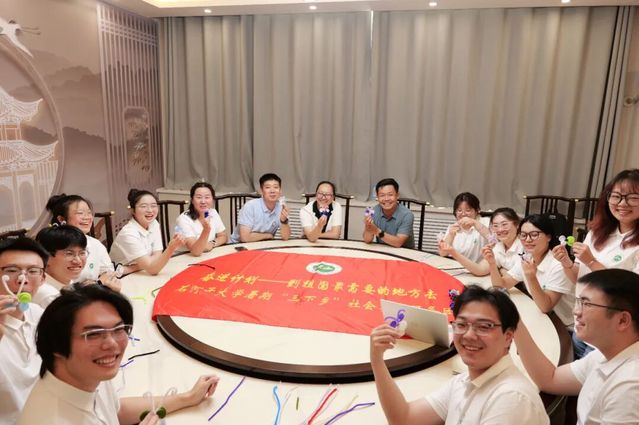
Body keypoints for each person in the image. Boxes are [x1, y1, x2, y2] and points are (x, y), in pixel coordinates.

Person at [18, 284, 219, 425]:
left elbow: (116, 410)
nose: (112, 344)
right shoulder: (49, 418)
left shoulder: (87, 373)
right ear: (56, 344)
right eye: (93, 334)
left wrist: (187, 398)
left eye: (118, 329)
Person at [370, 285, 548, 425]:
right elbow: (404, 419)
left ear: (508, 337)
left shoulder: (511, 399)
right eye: (461, 324)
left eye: (484, 326)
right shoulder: (463, 382)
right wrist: (377, 360)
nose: (469, 335)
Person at [514, 269, 639, 424]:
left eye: (586, 304)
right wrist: (514, 322)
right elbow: (549, 379)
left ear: (622, 320)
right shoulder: (606, 353)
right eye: (578, 302)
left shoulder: (629, 386)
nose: (576, 311)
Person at [489, 214, 575, 327]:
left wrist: (531, 276)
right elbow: (501, 285)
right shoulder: (527, 258)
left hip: (567, 325)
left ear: (548, 237)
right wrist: (492, 263)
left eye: (534, 235)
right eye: (523, 235)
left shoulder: (558, 265)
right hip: (544, 319)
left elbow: (546, 307)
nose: (528, 240)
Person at [553, 169, 639, 280]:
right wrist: (567, 263)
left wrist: (591, 262)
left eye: (633, 198)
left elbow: (630, 289)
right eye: (616, 196)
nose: (622, 204)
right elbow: (578, 279)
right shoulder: (597, 232)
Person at [0, 237, 49, 425]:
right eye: (11, 270)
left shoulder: (39, 315)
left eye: (33, 271)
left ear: (43, 278)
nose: (22, 279)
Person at [34, 225, 120, 309]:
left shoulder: (66, 282)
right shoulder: (50, 296)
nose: (78, 261)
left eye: (82, 253)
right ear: (46, 257)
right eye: (69, 254)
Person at [110, 189, 186, 275]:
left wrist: (132, 268)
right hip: (120, 277)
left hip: (137, 272)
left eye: (153, 206)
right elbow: (152, 270)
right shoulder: (128, 233)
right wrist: (171, 248)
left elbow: (158, 256)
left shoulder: (154, 223)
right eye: (143, 206)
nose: (150, 210)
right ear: (132, 210)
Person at [46, 194, 117, 284]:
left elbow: (109, 272)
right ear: (61, 219)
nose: (87, 217)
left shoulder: (95, 244)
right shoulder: (52, 245)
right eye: (80, 213)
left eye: (89, 213)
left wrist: (98, 283)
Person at [439, 207, 522, 276]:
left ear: (517, 225)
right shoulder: (499, 247)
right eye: (496, 226)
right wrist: (453, 252)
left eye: (504, 224)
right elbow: (480, 270)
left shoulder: (524, 245)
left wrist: (502, 271)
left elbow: (515, 278)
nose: (500, 229)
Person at [229, 173, 291, 243]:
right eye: (268, 187)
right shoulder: (250, 206)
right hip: (237, 245)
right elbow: (245, 238)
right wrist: (267, 236)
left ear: (280, 191)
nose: (272, 191)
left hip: (262, 245)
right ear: (261, 191)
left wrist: (284, 221)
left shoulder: (281, 207)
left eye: (276, 187)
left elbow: (286, 237)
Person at [175, 182, 227, 256]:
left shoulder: (212, 212)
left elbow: (223, 236)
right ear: (192, 200)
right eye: (199, 197)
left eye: (207, 197)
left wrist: (212, 243)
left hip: (206, 255)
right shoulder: (183, 219)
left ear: (213, 200)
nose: (203, 201)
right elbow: (196, 252)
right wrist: (206, 229)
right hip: (183, 257)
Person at [363, 178, 414, 249]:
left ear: (397, 195)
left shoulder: (407, 215)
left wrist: (377, 231)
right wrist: (368, 226)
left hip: (404, 252)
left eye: (390, 194)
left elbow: (398, 243)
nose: (386, 199)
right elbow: (367, 240)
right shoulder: (371, 211)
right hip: (383, 250)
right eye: (382, 195)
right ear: (377, 197)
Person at [438, 192, 490, 262]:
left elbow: (494, 240)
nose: (463, 214)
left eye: (468, 210)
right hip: (457, 265)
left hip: (479, 267)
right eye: (459, 210)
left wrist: (475, 223)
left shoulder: (486, 222)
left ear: (477, 210)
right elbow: (442, 253)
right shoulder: (453, 227)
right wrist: (450, 235)